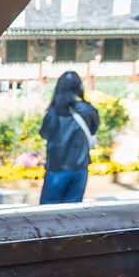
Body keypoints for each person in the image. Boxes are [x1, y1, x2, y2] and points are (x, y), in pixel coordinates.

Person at [38, 71, 100, 204]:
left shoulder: (53, 112)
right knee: (72, 210)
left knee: (47, 210)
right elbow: (93, 130)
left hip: (56, 167)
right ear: (78, 87)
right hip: (80, 166)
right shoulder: (88, 110)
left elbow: (44, 133)